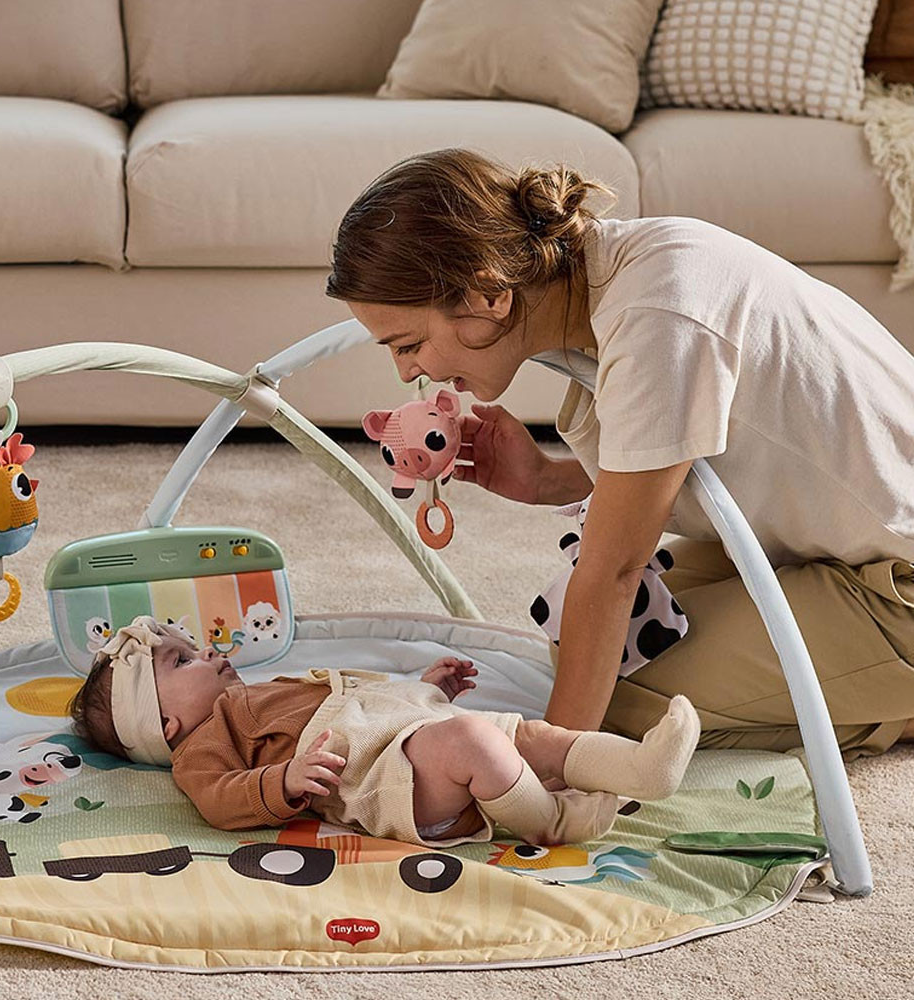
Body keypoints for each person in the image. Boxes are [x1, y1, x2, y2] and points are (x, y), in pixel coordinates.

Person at [325, 146, 914, 761]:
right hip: (832, 546)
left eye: (408, 345)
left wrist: (550, 765)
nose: (406, 374)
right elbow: (695, 470)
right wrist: (546, 480)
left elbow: (613, 572)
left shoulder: (656, 316)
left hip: (898, 581)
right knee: (590, 645)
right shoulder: (610, 277)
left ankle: (895, 714)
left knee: (625, 701)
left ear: (488, 295)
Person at [68, 616, 700, 848]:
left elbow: (365, 705)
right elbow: (217, 799)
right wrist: (282, 781)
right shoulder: (201, 748)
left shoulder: (259, 693)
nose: (207, 651)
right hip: (382, 778)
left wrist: (422, 689)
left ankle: (641, 768)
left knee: (533, 738)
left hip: (408, 731)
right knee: (477, 744)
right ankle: (550, 821)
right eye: (183, 660)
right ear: (166, 724)